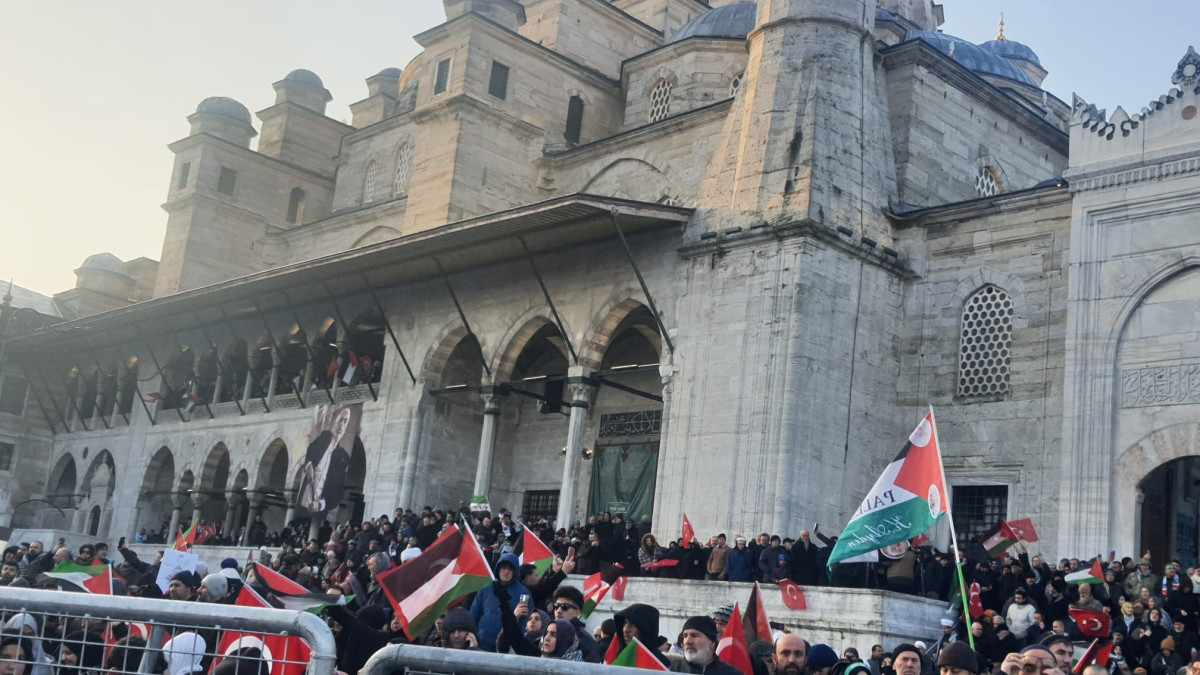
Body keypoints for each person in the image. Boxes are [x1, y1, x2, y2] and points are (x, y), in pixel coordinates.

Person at [296, 406, 354, 517]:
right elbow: (310, 454)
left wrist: (320, 505)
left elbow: (336, 494)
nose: (342, 424)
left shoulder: (343, 457)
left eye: (345, 422)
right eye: (340, 420)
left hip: (318, 507)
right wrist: (309, 469)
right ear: (334, 423)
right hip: (304, 500)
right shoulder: (322, 440)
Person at [468, 553, 530, 652]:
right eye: (503, 568)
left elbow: (525, 620)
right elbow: (474, 613)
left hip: (506, 647)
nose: (506, 572)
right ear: (498, 568)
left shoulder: (523, 593)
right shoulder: (486, 588)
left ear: (515, 571)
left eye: (510, 569)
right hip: (482, 643)